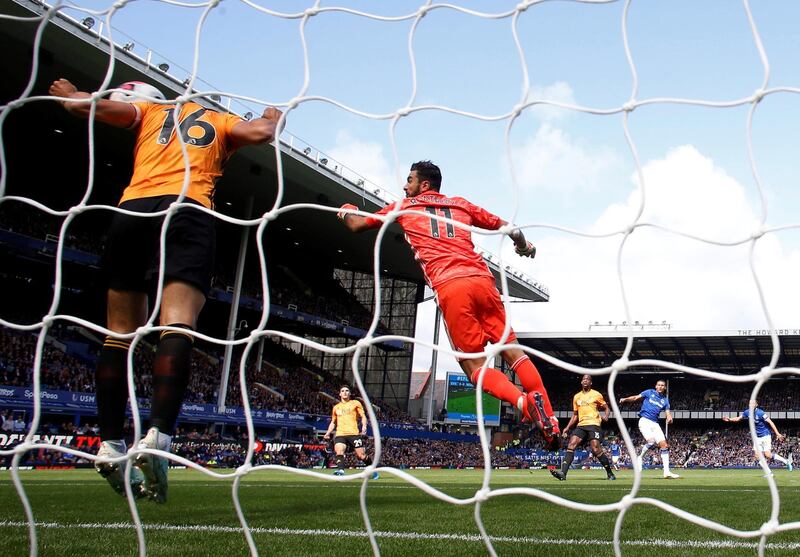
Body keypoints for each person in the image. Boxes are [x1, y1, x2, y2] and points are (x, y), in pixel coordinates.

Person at [49, 78, 283, 502]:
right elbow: (263, 133)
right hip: (187, 210)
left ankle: (109, 444)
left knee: (117, 334)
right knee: (177, 324)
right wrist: (272, 114)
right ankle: (158, 436)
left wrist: (70, 95)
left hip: (132, 211)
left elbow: (93, 109)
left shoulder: (150, 112)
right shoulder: (220, 120)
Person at [337, 161, 559, 449]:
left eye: (410, 179)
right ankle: (550, 420)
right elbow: (511, 229)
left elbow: (356, 225)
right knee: (513, 351)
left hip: (451, 286)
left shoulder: (404, 206)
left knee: (475, 367)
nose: (405, 185)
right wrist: (523, 246)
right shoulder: (461, 205)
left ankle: (524, 403)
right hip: (483, 280)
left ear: (424, 184)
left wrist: (346, 209)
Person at [550, 374, 615, 481]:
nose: (585, 381)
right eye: (583, 379)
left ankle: (610, 473)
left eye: (587, 379)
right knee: (571, 445)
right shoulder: (577, 397)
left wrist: (606, 416)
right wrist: (567, 427)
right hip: (581, 425)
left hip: (594, 424)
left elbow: (606, 408)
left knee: (595, 449)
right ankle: (563, 473)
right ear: (581, 382)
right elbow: (575, 415)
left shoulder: (596, 394)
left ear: (590, 383)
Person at [618, 379, 680, 479]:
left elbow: (668, 412)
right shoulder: (649, 392)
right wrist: (625, 399)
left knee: (664, 445)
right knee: (651, 441)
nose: (660, 387)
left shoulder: (665, 400)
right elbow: (635, 398)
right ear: (656, 386)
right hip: (644, 420)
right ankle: (640, 457)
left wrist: (669, 418)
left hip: (655, 424)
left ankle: (667, 472)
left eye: (662, 385)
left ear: (664, 388)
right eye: (658, 385)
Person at [323, 385, 378, 479]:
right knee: (339, 451)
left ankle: (373, 470)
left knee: (361, 455)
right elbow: (333, 422)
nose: (345, 392)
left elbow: (363, 416)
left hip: (354, 434)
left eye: (347, 391)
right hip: (340, 434)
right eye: (343, 391)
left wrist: (364, 426)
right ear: (340, 394)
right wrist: (328, 433)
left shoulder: (355, 403)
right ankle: (341, 470)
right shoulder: (336, 407)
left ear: (349, 393)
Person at [723, 401, 793, 474]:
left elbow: (771, 422)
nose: (750, 405)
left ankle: (786, 462)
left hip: (765, 435)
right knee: (757, 455)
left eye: (752, 403)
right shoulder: (747, 412)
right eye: (750, 403)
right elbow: (738, 418)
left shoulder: (760, 413)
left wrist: (777, 433)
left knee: (768, 455)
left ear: (756, 405)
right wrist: (730, 419)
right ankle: (769, 473)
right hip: (757, 437)